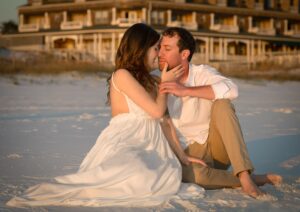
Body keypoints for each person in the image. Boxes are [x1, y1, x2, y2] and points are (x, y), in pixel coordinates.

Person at [6, 23, 204, 208]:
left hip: (153, 143)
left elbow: (165, 120)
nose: (159, 54)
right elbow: (156, 111)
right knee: (136, 173)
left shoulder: (153, 81)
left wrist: (182, 156)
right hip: (127, 139)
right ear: (141, 50)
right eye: (155, 48)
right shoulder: (122, 75)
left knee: (163, 175)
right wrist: (165, 84)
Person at [158, 27, 282, 198]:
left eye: (167, 48)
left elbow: (232, 89)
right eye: (160, 47)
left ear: (184, 54)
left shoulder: (202, 73)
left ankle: (244, 175)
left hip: (216, 149)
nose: (160, 53)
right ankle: (251, 179)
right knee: (196, 176)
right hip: (185, 154)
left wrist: (186, 90)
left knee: (223, 103)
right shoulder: (156, 82)